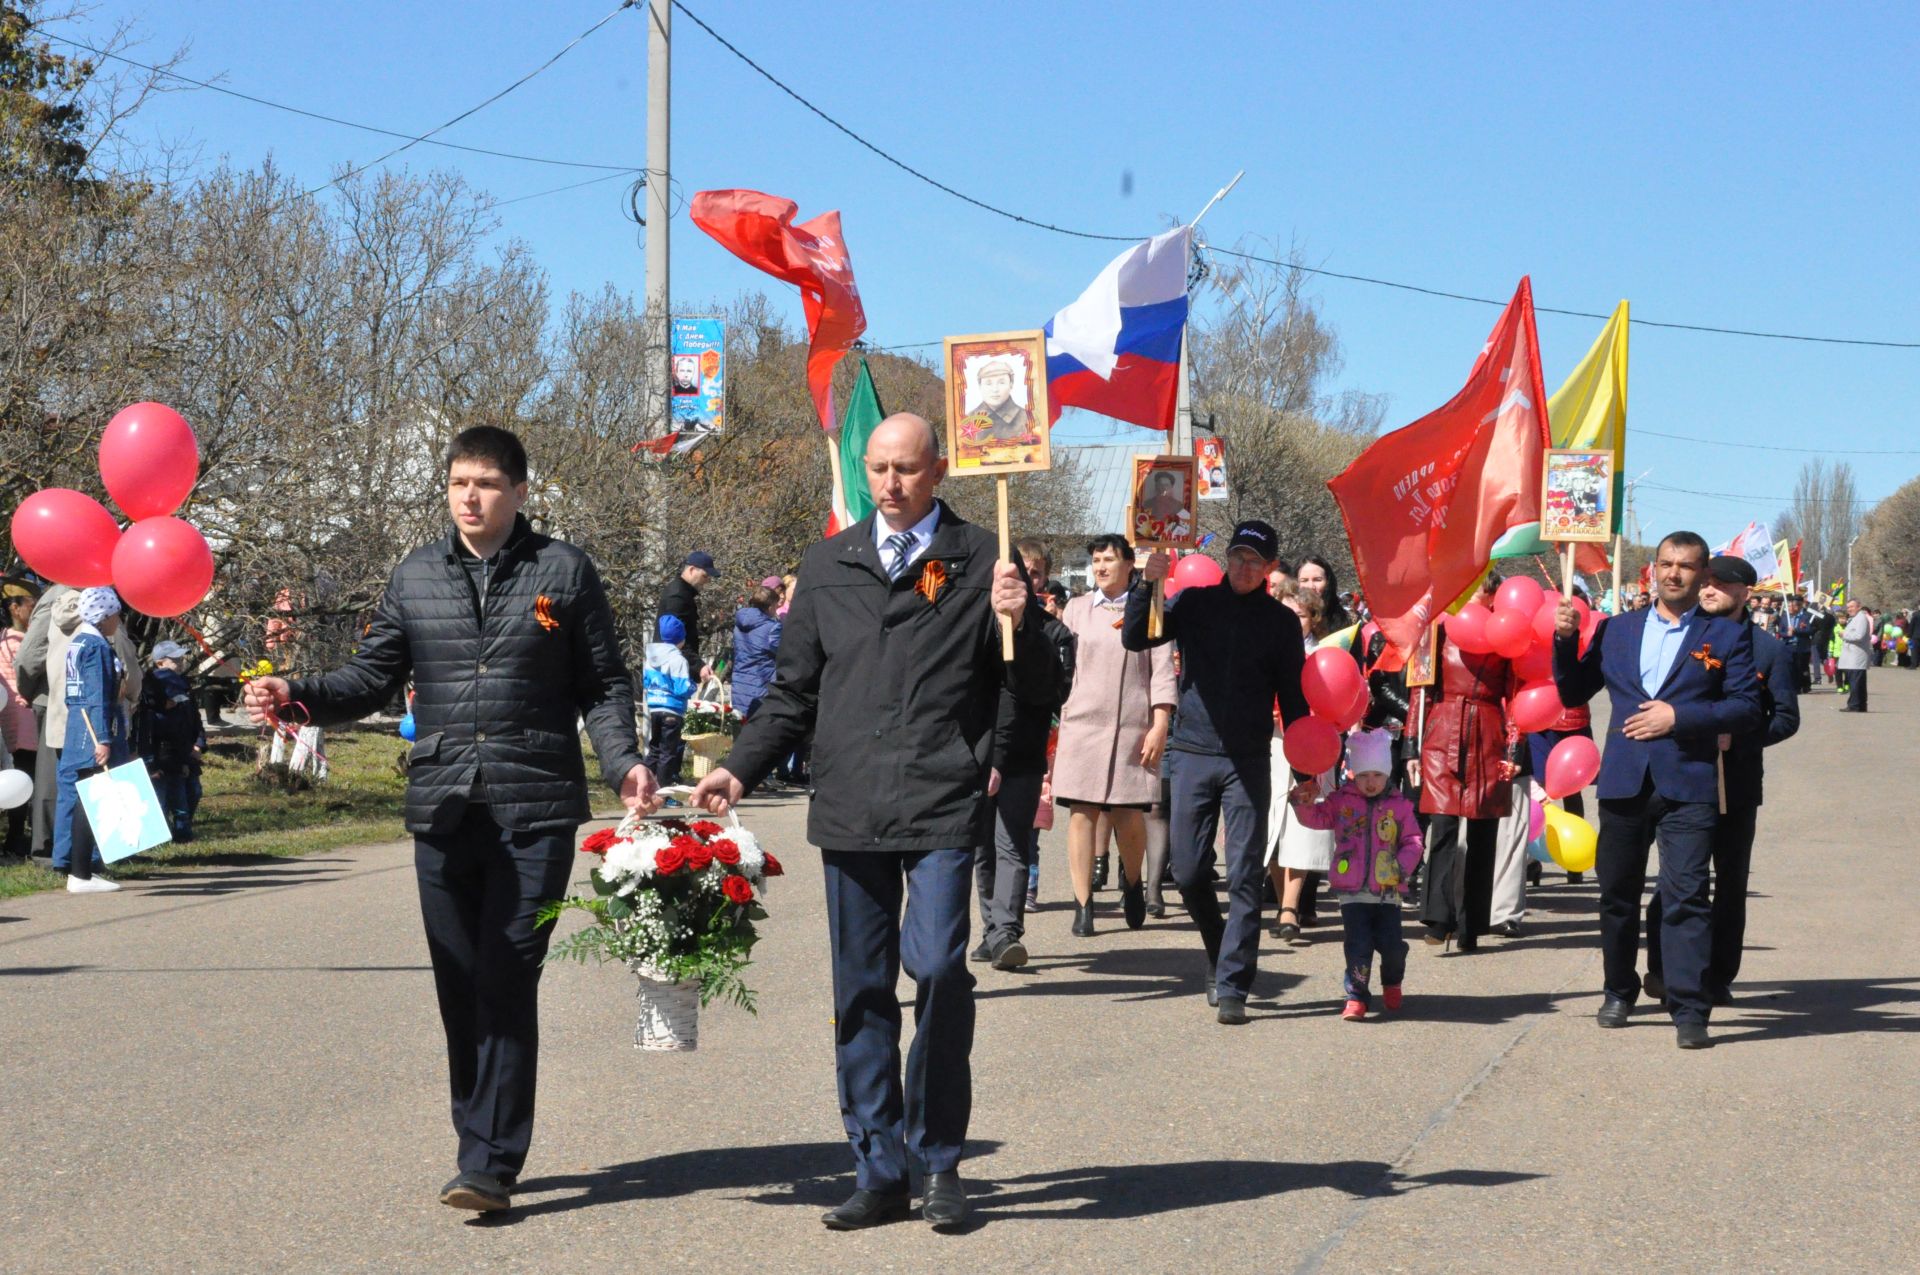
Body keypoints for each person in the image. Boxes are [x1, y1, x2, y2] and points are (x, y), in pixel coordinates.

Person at [244, 425, 655, 1214]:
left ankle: (491, 1161)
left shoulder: (562, 572)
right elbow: (370, 676)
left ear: (521, 492)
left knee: (506, 972)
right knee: (459, 979)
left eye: (488, 484)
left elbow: (602, 683)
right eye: (460, 482)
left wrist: (622, 761)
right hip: (442, 803)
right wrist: (294, 692)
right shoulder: (417, 574)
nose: (471, 497)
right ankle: (478, 1138)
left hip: (532, 806)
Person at [688, 413, 1050, 1232]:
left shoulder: (982, 559)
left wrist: (1021, 621)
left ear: (939, 470)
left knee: (940, 969)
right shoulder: (829, 561)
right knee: (860, 991)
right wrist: (737, 768)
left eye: (908, 469)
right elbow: (792, 691)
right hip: (851, 802)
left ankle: (941, 1157)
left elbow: (1034, 686)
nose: (891, 484)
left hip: (940, 798)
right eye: (879, 468)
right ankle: (880, 1166)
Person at [1553, 530, 1762, 1049]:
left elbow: (1746, 709)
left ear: (1701, 575)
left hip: (1688, 784)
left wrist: (1679, 717)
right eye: (1666, 563)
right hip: (1625, 782)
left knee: (1687, 896)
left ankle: (1689, 1007)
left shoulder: (1725, 637)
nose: (1673, 573)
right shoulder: (1617, 630)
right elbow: (1574, 690)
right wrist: (1563, 640)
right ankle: (1618, 989)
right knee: (1617, 896)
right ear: (1652, 570)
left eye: (1685, 566)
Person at [1124, 520, 1310, 1026]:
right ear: (1225, 558)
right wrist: (1149, 583)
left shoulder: (1280, 623)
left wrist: (1306, 765)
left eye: (1255, 561)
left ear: (1271, 569)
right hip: (1191, 750)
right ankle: (1216, 947)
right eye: (1237, 557)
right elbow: (1138, 637)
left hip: (1248, 759)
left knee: (1246, 874)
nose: (1243, 568)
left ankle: (1233, 984)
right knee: (1186, 871)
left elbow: (1293, 698)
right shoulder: (1198, 603)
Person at [1643, 555, 1799, 1008]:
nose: (1709, 590)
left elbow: (1785, 718)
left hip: (1735, 784)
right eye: (1706, 581)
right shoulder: (1682, 638)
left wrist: (1742, 738)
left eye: (1722, 584)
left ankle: (1717, 975)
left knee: (1729, 883)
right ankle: (1664, 969)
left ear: (1745, 593)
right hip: (1681, 778)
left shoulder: (1769, 649)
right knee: (1677, 880)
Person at [1051, 534, 1174, 936]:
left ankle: (1134, 882)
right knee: (1081, 813)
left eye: (1109, 559)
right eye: (1096, 560)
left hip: (1132, 728)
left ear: (1129, 565)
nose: (1101, 567)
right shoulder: (1077, 608)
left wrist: (1159, 723)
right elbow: (1060, 664)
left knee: (1127, 815)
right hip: (1082, 725)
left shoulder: (1150, 606)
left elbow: (1161, 670)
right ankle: (1082, 903)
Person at [973, 538, 1075, 970]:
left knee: (1012, 842)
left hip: (1022, 755)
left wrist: (1000, 756)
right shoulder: (978, 628)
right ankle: (991, 930)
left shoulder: (1050, 632)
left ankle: (1007, 931)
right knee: (981, 849)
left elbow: (1044, 694)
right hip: (978, 757)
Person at [1288, 729, 1424, 1020]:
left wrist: (1401, 867)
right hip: (1352, 892)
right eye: (1363, 775)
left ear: (1387, 774)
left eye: (1377, 774)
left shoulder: (1399, 806)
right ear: (1353, 775)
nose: (1370, 782)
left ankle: (1392, 979)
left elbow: (1413, 841)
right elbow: (1319, 818)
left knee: (1391, 946)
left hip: (1388, 891)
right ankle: (1357, 995)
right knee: (1357, 945)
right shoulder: (1342, 801)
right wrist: (1303, 803)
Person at [1415, 599, 1516, 953]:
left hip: (1489, 734)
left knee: (1483, 833)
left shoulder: (1505, 633)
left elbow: (1518, 696)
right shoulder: (1436, 631)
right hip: (1444, 729)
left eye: (1484, 593)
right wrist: (1413, 747)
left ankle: (1472, 923)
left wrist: (1514, 751)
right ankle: (1439, 917)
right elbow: (1421, 689)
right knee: (1442, 825)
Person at [1266, 588, 1335, 943]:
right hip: (1271, 743)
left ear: (1314, 620)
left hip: (1311, 743)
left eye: (1302, 616)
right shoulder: (1265, 648)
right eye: (1288, 615)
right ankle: (1283, 905)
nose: (1295, 623)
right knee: (1274, 829)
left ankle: (1290, 907)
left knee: (1301, 826)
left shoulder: (1325, 655)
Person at [57, 587, 131, 893]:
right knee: (91, 799)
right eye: (115, 613)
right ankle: (81, 874)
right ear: (104, 615)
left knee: (86, 797)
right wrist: (103, 738)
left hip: (77, 724)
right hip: (93, 729)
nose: (118, 619)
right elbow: (97, 695)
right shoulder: (96, 646)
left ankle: (81, 871)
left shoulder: (77, 641)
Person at [134, 640, 205, 843]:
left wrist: (198, 743)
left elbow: (194, 719)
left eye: (181, 658)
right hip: (162, 753)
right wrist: (152, 760)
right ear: (160, 663)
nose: (181, 662)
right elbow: (150, 727)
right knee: (164, 797)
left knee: (192, 792)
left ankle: (182, 832)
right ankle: (164, 836)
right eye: (175, 660)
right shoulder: (153, 690)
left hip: (185, 750)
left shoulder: (183, 685)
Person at [1, 578, 40, 857]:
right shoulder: (18, 642)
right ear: (15, 608)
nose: (34, 611)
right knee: (26, 780)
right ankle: (17, 839)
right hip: (25, 722)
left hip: (17, 723)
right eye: (31, 605)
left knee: (24, 780)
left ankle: (19, 838)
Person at [643, 615, 696, 784]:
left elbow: (645, 682)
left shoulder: (650, 658)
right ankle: (662, 792)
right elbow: (682, 688)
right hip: (672, 710)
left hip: (655, 708)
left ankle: (644, 783)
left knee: (655, 749)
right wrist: (692, 686)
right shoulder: (678, 660)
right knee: (668, 752)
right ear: (680, 639)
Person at [658, 550, 718, 681]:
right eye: (705, 576)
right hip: (671, 671)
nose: (707, 581)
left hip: (674, 667)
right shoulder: (677, 596)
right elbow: (674, 639)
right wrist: (699, 666)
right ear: (691, 570)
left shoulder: (684, 593)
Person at [728, 585, 783, 722]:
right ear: (770, 607)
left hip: (739, 683)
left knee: (740, 726)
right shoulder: (773, 628)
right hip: (761, 684)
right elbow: (783, 653)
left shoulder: (739, 625)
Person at [971, 359, 1031, 441]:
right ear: (980, 386)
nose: (995, 389)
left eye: (1001, 382)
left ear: (1011, 384)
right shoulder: (968, 419)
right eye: (988, 383)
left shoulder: (1028, 418)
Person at [1838, 599, 1872, 711]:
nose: (1849, 609)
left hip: (1856, 656)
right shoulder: (1854, 619)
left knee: (1856, 682)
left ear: (1859, 607)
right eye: (1848, 607)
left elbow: (1858, 636)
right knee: (1858, 682)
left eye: (1852, 606)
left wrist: (1844, 634)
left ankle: (1854, 705)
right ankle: (1860, 705)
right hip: (1852, 656)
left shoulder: (1861, 618)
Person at [1781, 594, 1813, 693]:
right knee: (1791, 666)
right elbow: (1781, 631)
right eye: (1790, 606)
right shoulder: (1784, 617)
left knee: (1802, 667)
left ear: (1799, 606)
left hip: (1802, 646)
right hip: (1788, 645)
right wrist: (1787, 634)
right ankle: (1795, 686)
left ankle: (1805, 685)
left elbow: (1809, 630)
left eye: (1794, 606)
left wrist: (1796, 631)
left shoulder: (1806, 617)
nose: (1791, 608)